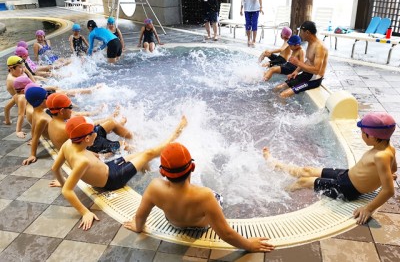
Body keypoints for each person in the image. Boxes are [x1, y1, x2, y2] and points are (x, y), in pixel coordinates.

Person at [123, 142, 275, 252]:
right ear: (193, 168)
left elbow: (140, 216)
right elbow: (226, 233)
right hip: (201, 224)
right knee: (217, 196)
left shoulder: (154, 187)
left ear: (162, 172)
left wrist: (137, 226)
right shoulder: (205, 196)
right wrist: (249, 245)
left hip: (174, 223)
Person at [51, 115, 188, 230]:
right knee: (148, 153)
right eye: (94, 132)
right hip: (113, 179)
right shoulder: (82, 162)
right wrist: (85, 212)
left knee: (140, 154)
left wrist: (63, 182)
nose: (97, 133)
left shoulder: (68, 143)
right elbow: (67, 191)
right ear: (87, 139)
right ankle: (175, 135)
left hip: (108, 167)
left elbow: (55, 168)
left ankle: (146, 171)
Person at [263, 112, 397, 225]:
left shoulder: (381, 156)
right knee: (307, 170)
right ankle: (275, 164)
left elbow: (388, 190)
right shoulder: (388, 149)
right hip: (347, 175)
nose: (361, 135)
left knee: (304, 181)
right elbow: (394, 168)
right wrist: (384, 175)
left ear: (372, 135)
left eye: (362, 132)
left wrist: (368, 209)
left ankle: (276, 195)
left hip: (347, 189)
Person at [46, 92, 133, 152]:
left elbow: (90, 126)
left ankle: (133, 138)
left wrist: (109, 119)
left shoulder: (54, 121)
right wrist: (105, 155)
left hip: (87, 139)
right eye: (70, 107)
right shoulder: (64, 129)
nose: (72, 110)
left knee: (112, 122)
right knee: (124, 145)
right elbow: (82, 148)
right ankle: (140, 152)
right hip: (90, 146)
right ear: (61, 111)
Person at [273, 21, 328, 98]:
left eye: (301, 32)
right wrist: (296, 71)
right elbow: (309, 61)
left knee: (283, 95)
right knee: (278, 88)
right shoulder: (310, 43)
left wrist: (298, 63)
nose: (300, 35)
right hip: (306, 75)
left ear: (307, 32)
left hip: (314, 79)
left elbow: (317, 70)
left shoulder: (319, 47)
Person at [4, 56, 35, 126]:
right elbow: (33, 85)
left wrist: (27, 71)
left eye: (23, 67)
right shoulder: (13, 81)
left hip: (25, 96)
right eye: (20, 67)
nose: (23, 70)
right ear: (11, 68)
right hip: (26, 102)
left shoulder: (18, 73)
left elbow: (6, 108)